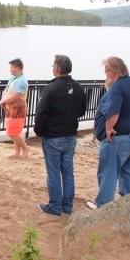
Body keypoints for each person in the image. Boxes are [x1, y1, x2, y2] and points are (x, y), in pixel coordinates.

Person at [87, 57, 130, 209]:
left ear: (114, 72)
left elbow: (113, 112)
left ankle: (102, 205)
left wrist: (108, 129)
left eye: (106, 70)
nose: (105, 74)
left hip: (120, 138)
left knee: (108, 172)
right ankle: (126, 206)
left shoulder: (117, 87)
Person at [34, 55, 86, 216]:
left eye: (53, 66)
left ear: (57, 69)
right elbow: (82, 111)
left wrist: (39, 130)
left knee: (54, 171)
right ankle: (67, 206)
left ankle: (55, 206)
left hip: (53, 136)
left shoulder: (51, 88)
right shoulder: (78, 87)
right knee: (68, 171)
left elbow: (41, 112)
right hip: (70, 135)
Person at [0, 58, 29, 159]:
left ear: (18, 68)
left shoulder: (21, 81)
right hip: (11, 109)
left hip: (17, 110)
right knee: (15, 131)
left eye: (12, 67)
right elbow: (8, 91)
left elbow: (17, 96)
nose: (10, 69)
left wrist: (3, 101)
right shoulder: (14, 78)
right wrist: (3, 100)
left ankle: (25, 148)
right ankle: (17, 152)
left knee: (11, 132)